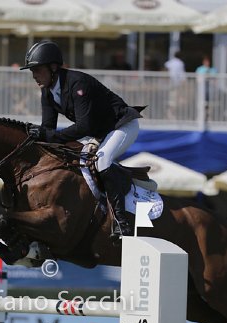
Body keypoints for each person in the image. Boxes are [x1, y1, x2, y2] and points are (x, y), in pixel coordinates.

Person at [20, 40, 145, 238]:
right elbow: (48, 129)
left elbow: (83, 126)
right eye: (32, 71)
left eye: (37, 70)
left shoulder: (78, 84)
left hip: (121, 125)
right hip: (98, 131)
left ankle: (121, 222)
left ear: (53, 67)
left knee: (102, 161)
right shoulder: (47, 92)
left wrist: (50, 135)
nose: (34, 75)